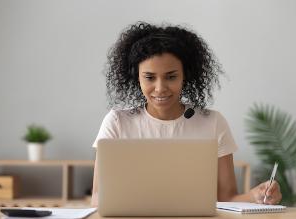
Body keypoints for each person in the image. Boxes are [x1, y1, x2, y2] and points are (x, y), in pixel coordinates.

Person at [91, 22, 282, 206]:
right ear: (136, 77)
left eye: (171, 76)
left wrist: (255, 195)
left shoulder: (213, 122)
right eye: (149, 77)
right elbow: (99, 198)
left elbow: (227, 198)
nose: (160, 88)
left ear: (186, 75)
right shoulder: (117, 122)